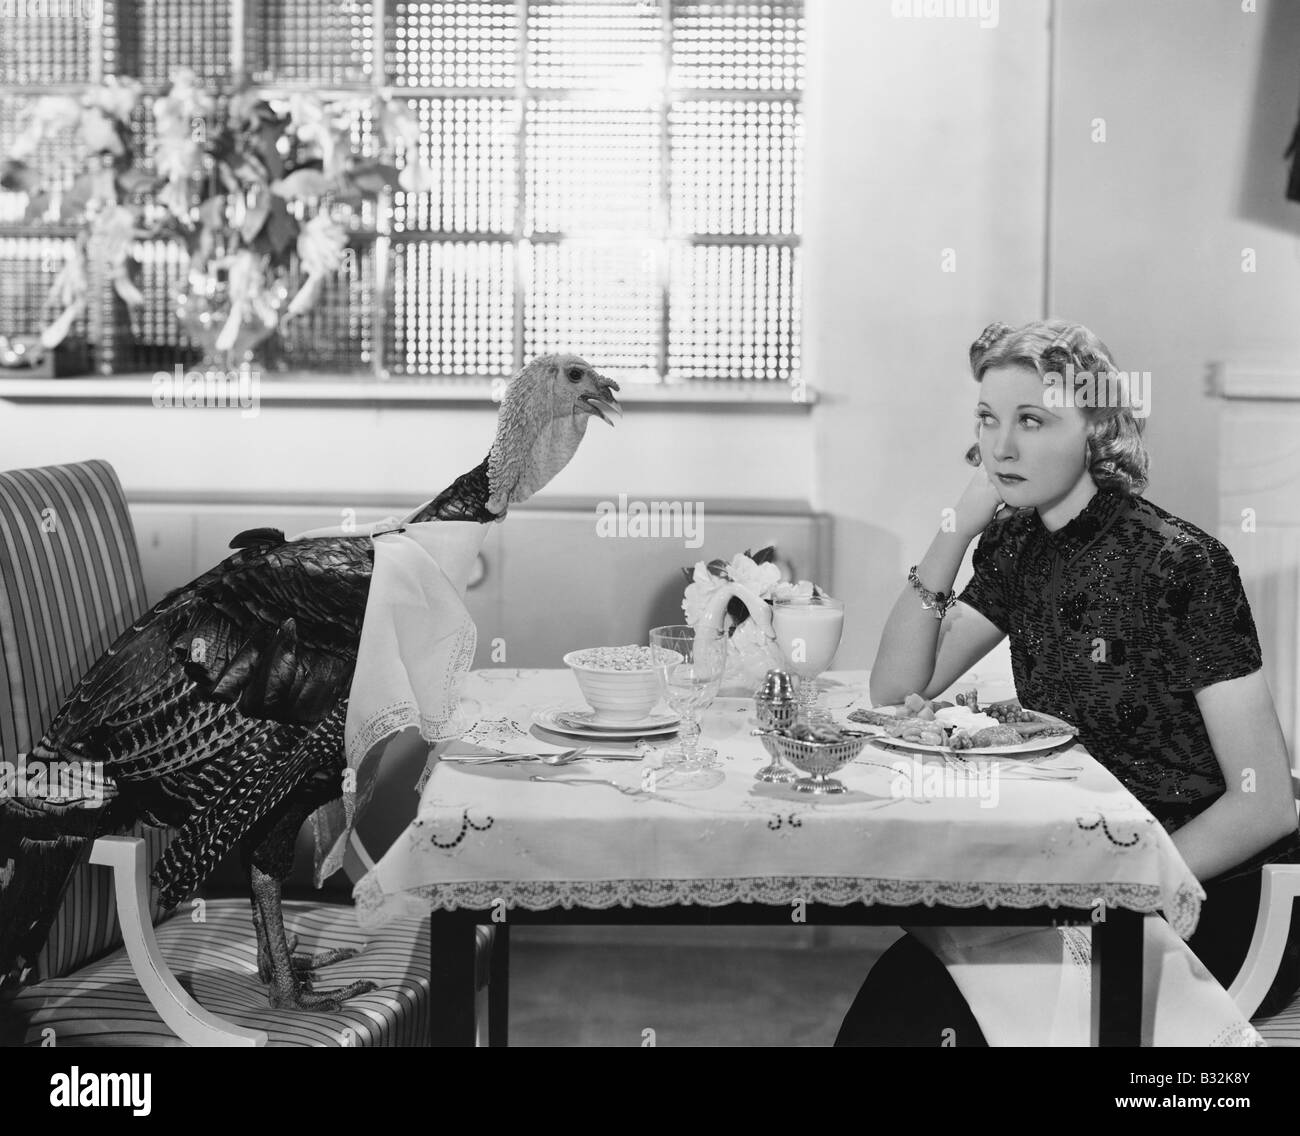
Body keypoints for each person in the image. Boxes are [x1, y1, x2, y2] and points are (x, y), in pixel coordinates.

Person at [835, 319, 1300, 1046]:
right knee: (907, 995)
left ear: (1096, 428)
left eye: (1032, 420)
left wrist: (1119, 881)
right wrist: (954, 531)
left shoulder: (1183, 563)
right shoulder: (1019, 542)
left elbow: (1265, 803)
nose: (1002, 446)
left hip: (1209, 889)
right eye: (988, 419)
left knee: (923, 1003)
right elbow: (897, 691)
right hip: (1084, 867)